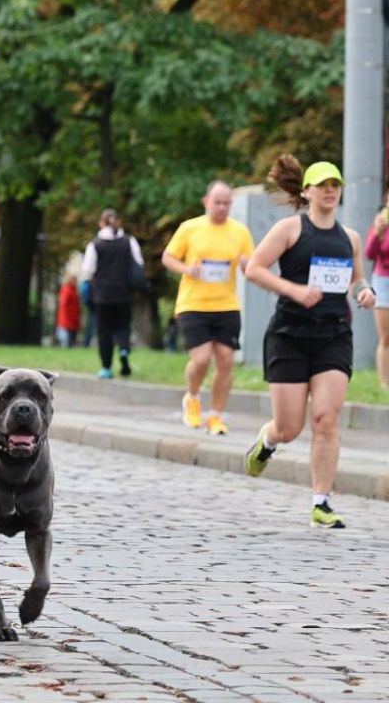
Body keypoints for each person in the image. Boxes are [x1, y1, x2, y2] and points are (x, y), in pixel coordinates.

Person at [243, 157, 375, 528]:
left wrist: (364, 293)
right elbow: (253, 268)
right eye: (323, 185)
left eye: (335, 184)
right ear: (307, 192)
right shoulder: (290, 229)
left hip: (333, 335)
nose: (330, 190)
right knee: (290, 427)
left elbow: (357, 281)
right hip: (289, 335)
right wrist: (295, 291)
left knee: (326, 419)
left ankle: (322, 503)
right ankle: (267, 442)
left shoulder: (349, 238)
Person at [161, 181, 254, 435]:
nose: (222, 207)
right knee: (201, 359)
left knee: (225, 361)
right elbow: (168, 258)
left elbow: (249, 261)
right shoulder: (190, 228)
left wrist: (248, 264)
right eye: (218, 202)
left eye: (227, 203)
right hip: (193, 303)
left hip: (226, 304)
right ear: (206, 202)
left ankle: (216, 415)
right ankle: (192, 397)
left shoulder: (240, 231)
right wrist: (187, 269)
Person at [82, 209, 142, 379]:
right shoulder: (129, 241)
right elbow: (138, 264)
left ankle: (107, 367)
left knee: (104, 332)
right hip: (124, 293)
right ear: (118, 222)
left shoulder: (96, 244)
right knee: (123, 327)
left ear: (101, 223)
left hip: (102, 295)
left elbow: (87, 270)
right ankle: (123, 349)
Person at [363, 189, 389, 388]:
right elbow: (369, 253)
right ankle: (384, 383)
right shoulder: (381, 223)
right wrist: (378, 233)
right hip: (384, 281)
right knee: (386, 336)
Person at [55, 273, 80, 348]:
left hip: (73, 320)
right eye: (73, 279)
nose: (75, 281)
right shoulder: (66, 290)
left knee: (71, 343)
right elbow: (63, 304)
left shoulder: (74, 290)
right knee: (66, 343)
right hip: (66, 320)